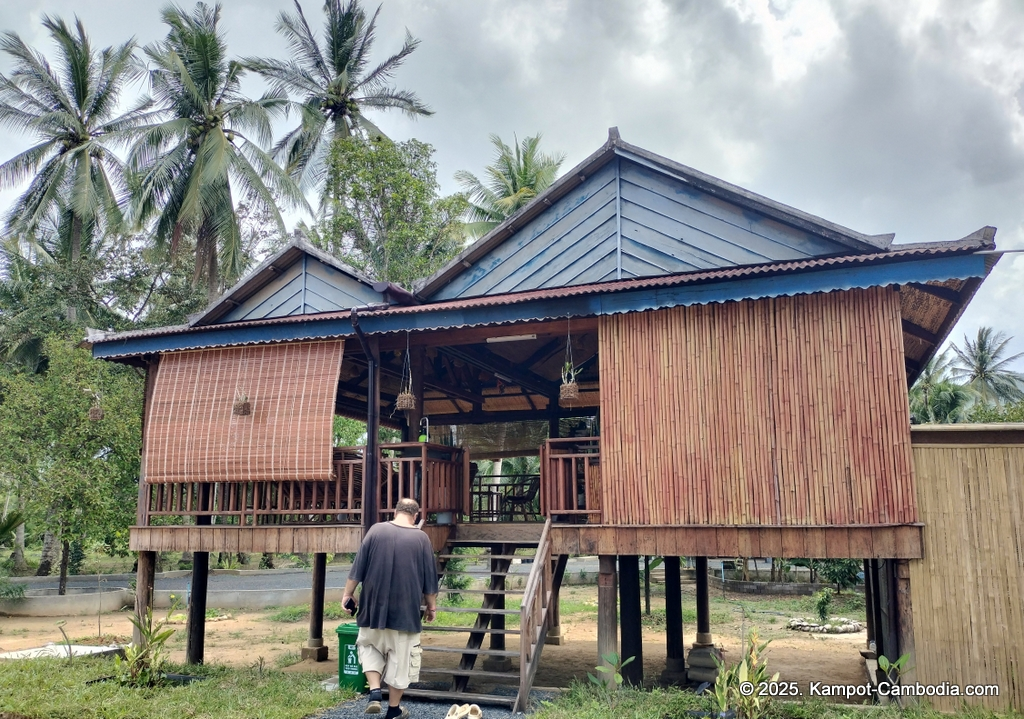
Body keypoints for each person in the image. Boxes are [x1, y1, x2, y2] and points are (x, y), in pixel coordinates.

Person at [343, 498, 438, 718]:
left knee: (368, 648)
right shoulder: (421, 538)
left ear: (395, 512)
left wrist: (348, 594)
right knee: (400, 663)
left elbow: (357, 569)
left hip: (372, 611)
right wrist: (431, 607)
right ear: (415, 516)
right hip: (405, 615)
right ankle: (393, 710)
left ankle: (375, 691)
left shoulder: (376, 531)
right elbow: (430, 581)